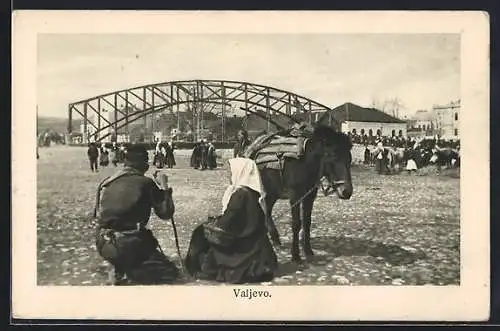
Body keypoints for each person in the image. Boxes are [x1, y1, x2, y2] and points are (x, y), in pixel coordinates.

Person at [94, 145, 179, 285]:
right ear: (143, 164)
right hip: (128, 243)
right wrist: (164, 186)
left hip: (103, 242)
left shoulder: (109, 181)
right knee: (169, 272)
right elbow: (166, 213)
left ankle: (119, 265)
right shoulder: (145, 183)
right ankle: (129, 271)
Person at [184, 158, 278, 284]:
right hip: (255, 242)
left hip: (243, 243)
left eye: (231, 171)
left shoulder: (240, 194)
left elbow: (228, 221)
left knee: (200, 234)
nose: (229, 174)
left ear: (240, 171)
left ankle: (203, 268)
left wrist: (214, 223)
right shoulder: (254, 193)